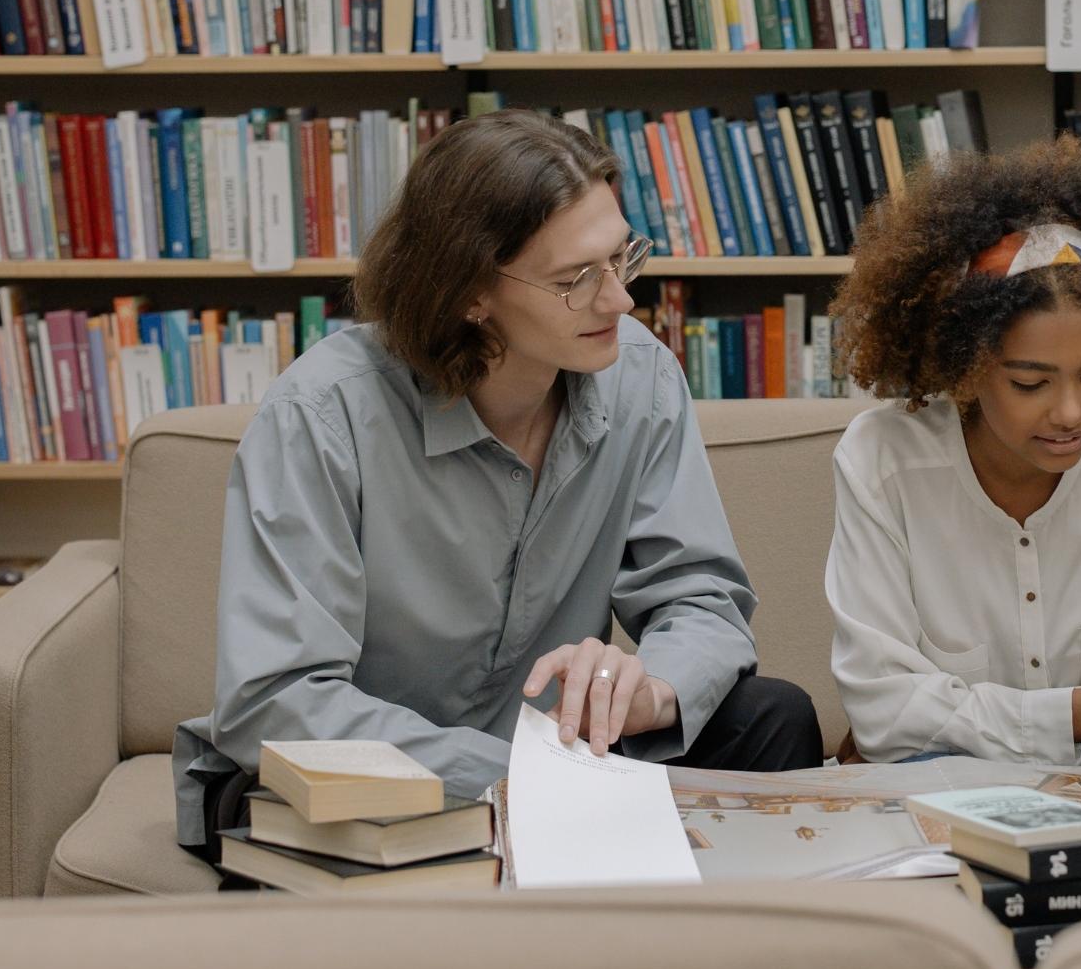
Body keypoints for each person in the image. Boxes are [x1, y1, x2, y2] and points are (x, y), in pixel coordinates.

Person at [174, 109, 822, 863]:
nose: (620, 301)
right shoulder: (322, 416)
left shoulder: (638, 375)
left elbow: (701, 597)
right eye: (577, 279)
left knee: (772, 716)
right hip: (370, 777)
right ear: (470, 292)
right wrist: (525, 780)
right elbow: (275, 701)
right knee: (324, 807)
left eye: (622, 260)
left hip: (553, 762)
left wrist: (652, 689)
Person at [823, 138, 1081, 770]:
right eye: (1031, 384)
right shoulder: (882, 461)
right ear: (967, 368)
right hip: (947, 767)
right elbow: (886, 715)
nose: (1071, 413)